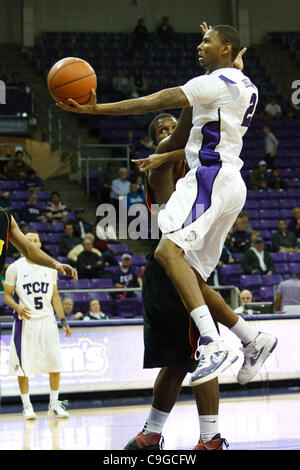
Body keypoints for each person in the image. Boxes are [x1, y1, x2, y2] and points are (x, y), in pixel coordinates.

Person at [57, 23, 277, 386]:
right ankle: (252, 338)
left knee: (166, 252)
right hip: (230, 182)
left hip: (208, 178)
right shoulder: (242, 82)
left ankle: (212, 342)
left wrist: (98, 110)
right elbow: (212, 95)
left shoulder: (213, 83)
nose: (198, 45)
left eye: (207, 41)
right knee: (189, 271)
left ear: (226, 50)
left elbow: (156, 100)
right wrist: (231, 60)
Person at [125, 108, 274, 450]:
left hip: (179, 265)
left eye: (174, 127)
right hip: (170, 265)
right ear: (154, 142)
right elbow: (174, 151)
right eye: (163, 130)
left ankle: (152, 434)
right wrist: (190, 115)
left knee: (181, 359)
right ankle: (210, 439)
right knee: (201, 353)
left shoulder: (202, 172)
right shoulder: (161, 168)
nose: (170, 132)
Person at [3, 230, 76, 420]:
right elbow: (7, 296)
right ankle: (27, 406)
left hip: (47, 321)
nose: (33, 242)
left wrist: (63, 321)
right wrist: (17, 307)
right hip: (25, 323)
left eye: (36, 240)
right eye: (28, 240)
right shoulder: (14, 268)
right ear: (22, 245)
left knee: (55, 364)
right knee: (23, 367)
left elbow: (55, 297)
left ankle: (54, 404)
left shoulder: (50, 268)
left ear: (40, 245)